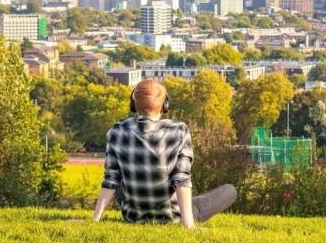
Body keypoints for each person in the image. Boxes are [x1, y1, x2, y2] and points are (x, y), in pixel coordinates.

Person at [92, 79, 237, 229]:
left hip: (133, 216)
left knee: (118, 180)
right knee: (229, 191)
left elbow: (111, 179)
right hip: (171, 216)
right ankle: (186, 212)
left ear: (134, 104)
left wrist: (95, 219)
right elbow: (181, 179)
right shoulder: (178, 130)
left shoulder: (117, 131)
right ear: (164, 105)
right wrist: (189, 225)